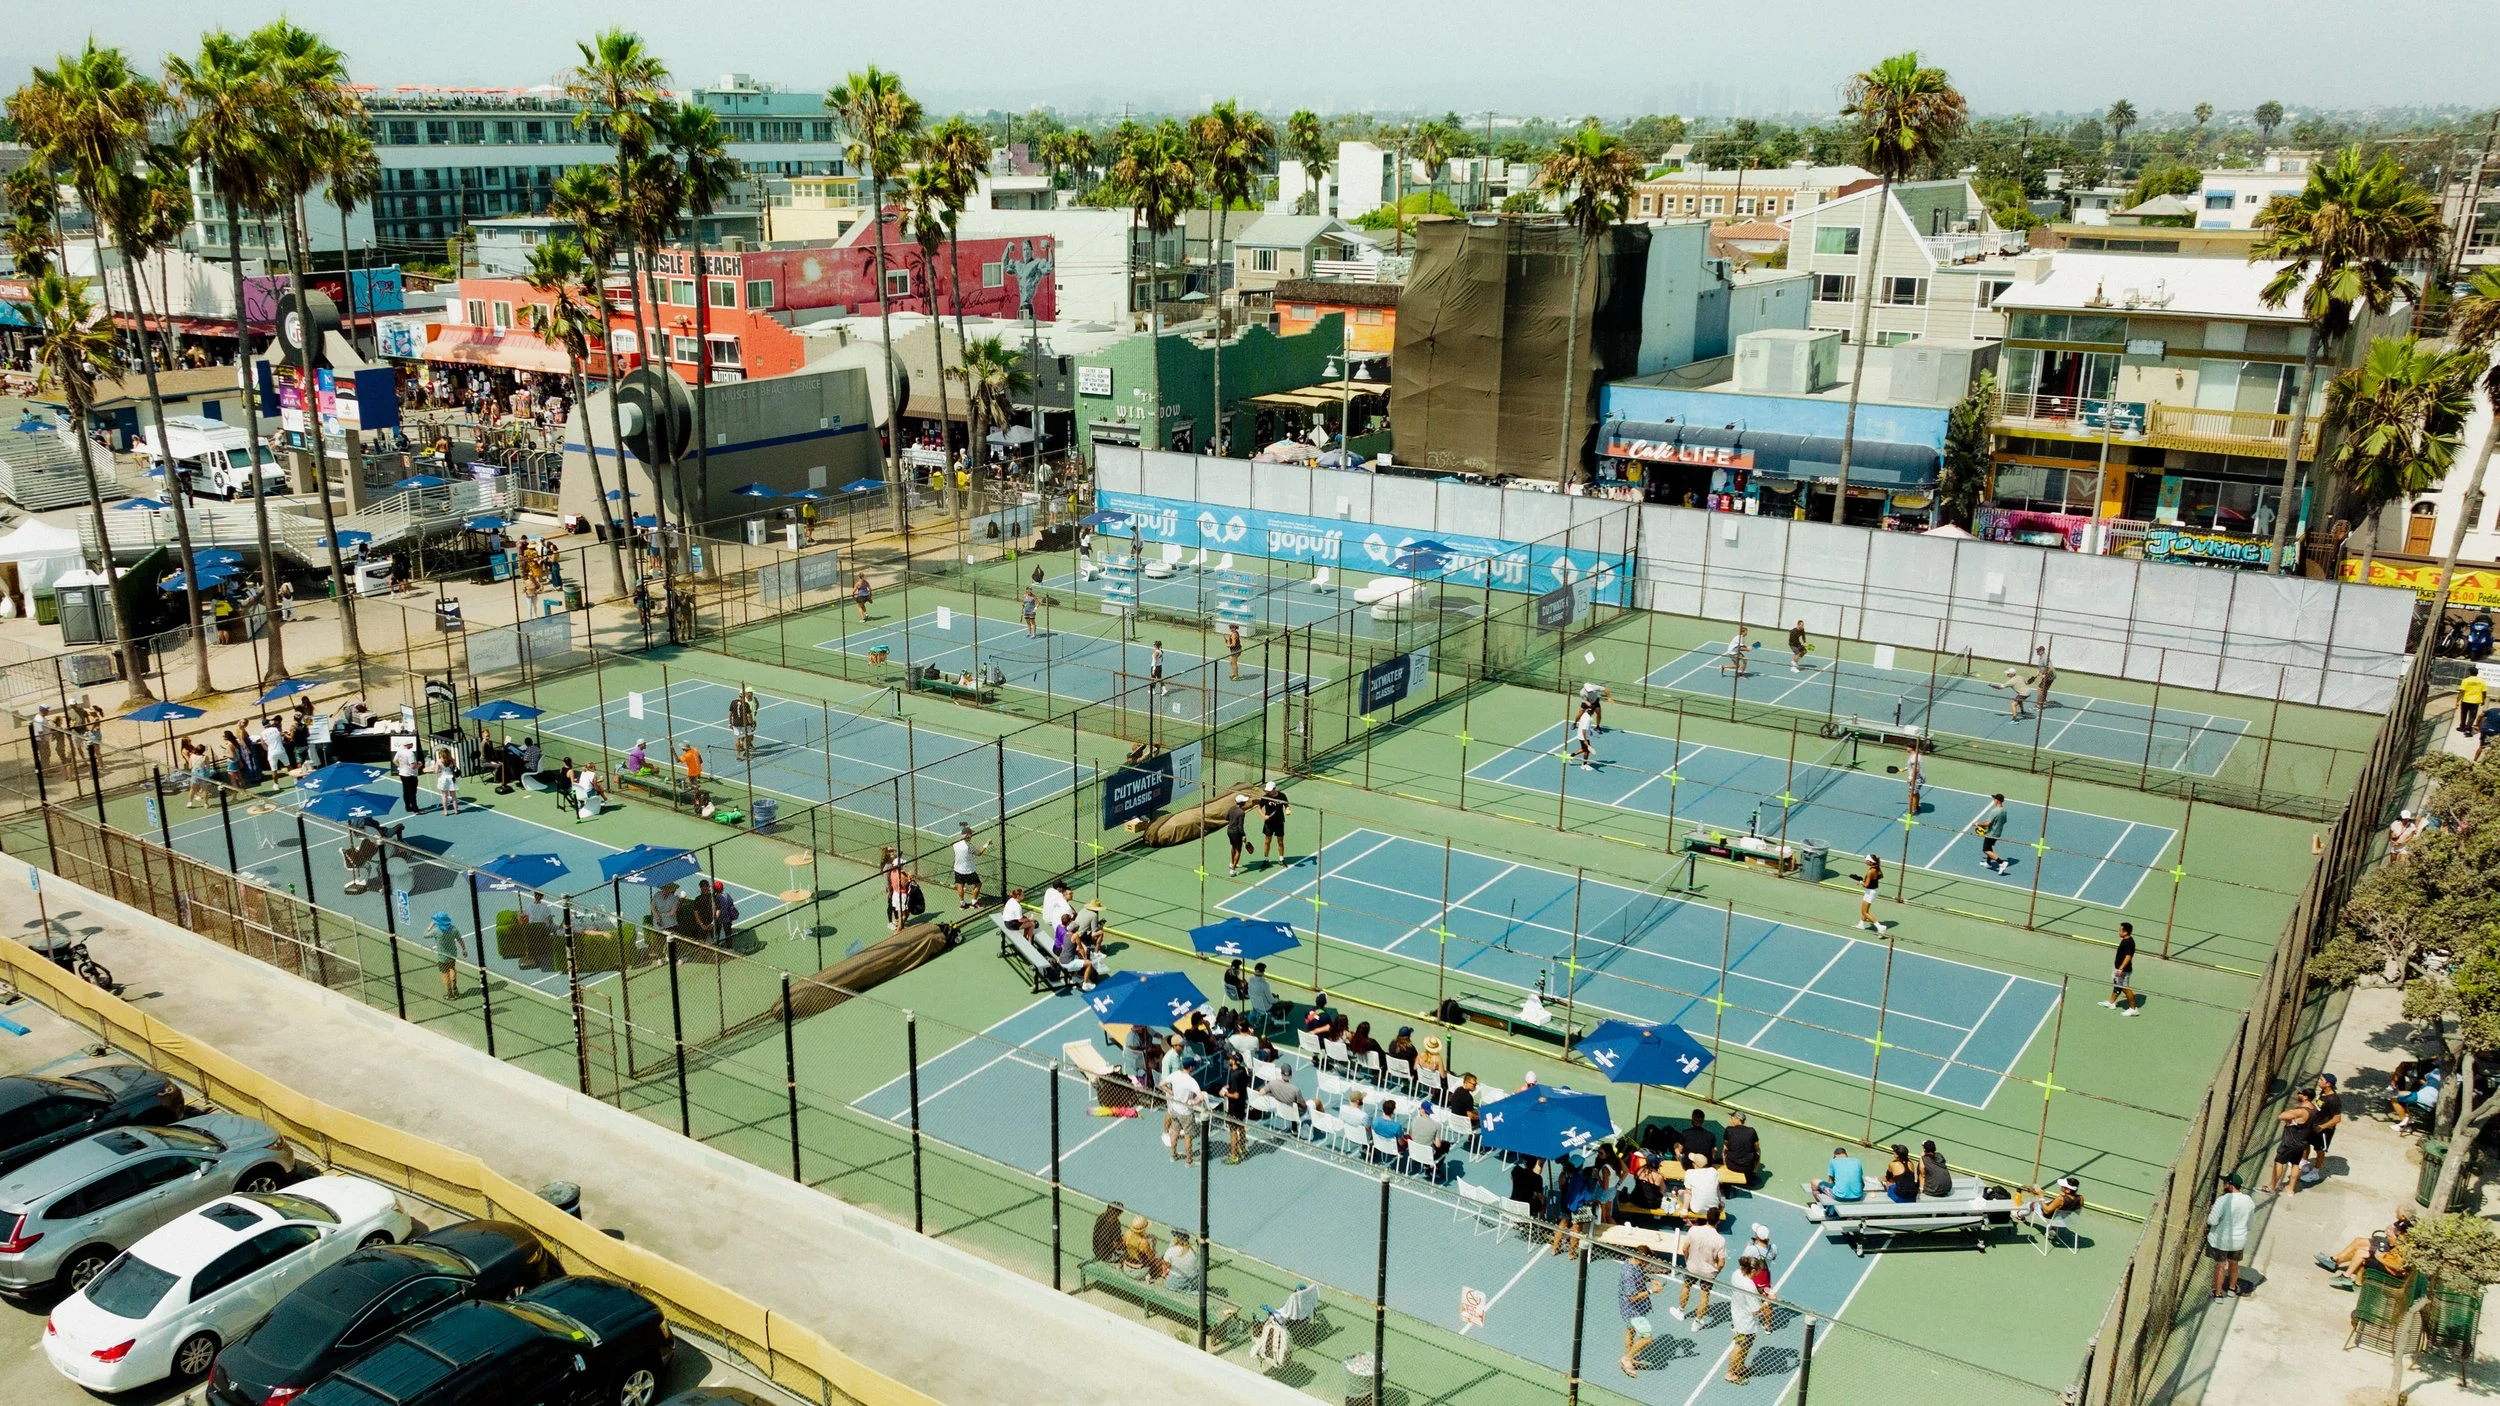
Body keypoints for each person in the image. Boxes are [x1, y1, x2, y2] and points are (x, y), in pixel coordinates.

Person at [2318, 1209, 2415, 1288]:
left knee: (2361, 1251)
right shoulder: (2403, 1226)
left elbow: (2394, 1253)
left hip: (2387, 1257)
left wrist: (2390, 1236)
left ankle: (2343, 1273)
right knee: (2358, 1241)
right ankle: (2335, 1261)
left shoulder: (2404, 1240)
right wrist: (2390, 1233)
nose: (2395, 1213)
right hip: (2387, 1254)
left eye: (2397, 1212)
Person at [2208, 1172, 2254, 1298]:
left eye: (2225, 1183)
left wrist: (2212, 1211)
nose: (2223, 1185)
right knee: (2234, 1263)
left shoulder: (2222, 1200)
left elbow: (2212, 1221)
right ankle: (2232, 1289)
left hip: (2221, 1241)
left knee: (2220, 1266)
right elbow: (2250, 1223)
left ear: (2230, 1185)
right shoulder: (2248, 1200)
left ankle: (2217, 1294)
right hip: (2238, 1241)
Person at [1673, 1215, 1725, 1322]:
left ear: (1707, 1218)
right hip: (1708, 1273)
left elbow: (1685, 1249)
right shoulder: (1720, 1240)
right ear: (1718, 1221)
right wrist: (1716, 1272)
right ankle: (1697, 1322)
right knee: (1705, 1295)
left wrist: (1688, 1261)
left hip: (1693, 1267)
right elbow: (1721, 1263)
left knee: (1686, 1286)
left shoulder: (1694, 1230)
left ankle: (1680, 1311)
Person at [1618, 1258, 1661, 1378]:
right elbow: (1633, 1297)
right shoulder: (1629, 1273)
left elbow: (1639, 1275)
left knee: (1630, 1330)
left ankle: (1629, 1358)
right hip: (1633, 1311)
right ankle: (1627, 1358)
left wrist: (1651, 1280)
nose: (1646, 1264)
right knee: (1647, 1338)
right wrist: (1652, 1291)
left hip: (1629, 1308)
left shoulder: (1630, 1263)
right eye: (1646, 1261)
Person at [2265, 1090, 2315, 1194]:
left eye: (2301, 1094)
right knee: (2295, 1164)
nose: (2298, 1095)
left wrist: (2291, 1119)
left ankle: (2271, 1187)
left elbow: (2281, 1116)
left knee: (2279, 1162)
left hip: (2290, 1142)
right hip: (2302, 1142)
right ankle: (2291, 1189)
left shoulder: (2301, 1111)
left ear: (2306, 1097)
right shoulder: (2314, 1109)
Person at [1724, 1270, 1767, 1384]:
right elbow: (1756, 1311)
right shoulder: (1749, 1286)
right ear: (1753, 1270)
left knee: (1746, 1345)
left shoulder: (1737, 1273)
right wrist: (1768, 1302)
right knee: (1740, 1346)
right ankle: (1730, 1374)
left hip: (1738, 1314)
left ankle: (1740, 1366)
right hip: (1746, 1323)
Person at [2305, 1073, 2343, 1185]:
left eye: (2322, 1080)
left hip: (2324, 1131)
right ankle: (2304, 1163)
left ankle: (2315, 1173)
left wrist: (2322, 1127)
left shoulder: (2334, 1100)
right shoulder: (2323, 1092)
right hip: (2314, 1125)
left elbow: (2337, 1119)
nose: (2319, 1081)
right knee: (2305, 1143)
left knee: (2319, 1151)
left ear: (2328, 1084)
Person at [2097, 921, 2141, 1016]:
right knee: (2117, 984)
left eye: (2120, 930)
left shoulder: (2128, 943)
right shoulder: (2125, 940)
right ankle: (2111, 1002)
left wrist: (2120, 969)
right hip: (2119, 968)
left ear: (2126, 932)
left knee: (2125, 988)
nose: (2118, 931)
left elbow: (2128, 957)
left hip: (2123, 970)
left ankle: (2133, 1009)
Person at [951, 823, 990, 909]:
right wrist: (986, 844)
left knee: (960, 886)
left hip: (958, 869)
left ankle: (962, 904)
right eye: (971, 833)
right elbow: (979, 853)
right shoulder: (968, 845)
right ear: (967, 835)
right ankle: (974, 903)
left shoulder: (955, 843)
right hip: (968, 870)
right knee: (978, 884)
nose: (972, 835)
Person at [1682, 1152, 1723, 1225]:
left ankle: (1693, 1219)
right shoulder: (1713, 1171)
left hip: (1697, 1209)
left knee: (1680, 1192)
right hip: (1713, 1208)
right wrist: (1720, 1202)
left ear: (1695, 1165)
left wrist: (1684, 1210)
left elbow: (1688, 1193)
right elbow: (1717, 1190)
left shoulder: (1689, 1173)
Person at [428, 911, 463, 998]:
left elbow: (425, 935)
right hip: (452, 955)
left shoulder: (436, 931)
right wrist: (464, 949)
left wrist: (430, 926)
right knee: (452, 968)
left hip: (442, 957)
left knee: (445, 973)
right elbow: (460, 939)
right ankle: (455, 988)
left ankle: (450, 994)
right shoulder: (453, 929)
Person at [1119, 1215, 1164, 1281]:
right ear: (1144, 1229)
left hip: (1126, 1268)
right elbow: (1152, 1258)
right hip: (1138, 1273)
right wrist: (1153, 1243)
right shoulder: (1143, 1243)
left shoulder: (1127, 1234)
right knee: (1160, 1256)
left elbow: (1124, 1246)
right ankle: (1149, 1276)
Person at [1975, 794, 2010, 874]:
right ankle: (1988, 863)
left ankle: (2001, 863)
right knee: (1989, 847)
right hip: (1997, 833)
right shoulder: (2004, 810)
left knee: (1986, 850)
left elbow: (1988, 823)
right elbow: (2004, 821)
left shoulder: (1994, 811)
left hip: (1991, 834)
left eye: (1994, 799)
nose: (1993, 801)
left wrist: (1977, 824)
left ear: (1997, 800)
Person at [1260, 781, 1289, 864]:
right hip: (1269, 823)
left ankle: (1281, 859)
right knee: (1267, 841)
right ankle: (1266, 859)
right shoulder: (1265, 797)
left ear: (1274, 789)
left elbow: (1286, 804)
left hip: (1279, 822)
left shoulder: (1282, 796)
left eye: (1270, 790)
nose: (1268, 791)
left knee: (1280, 841)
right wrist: (1263, 816)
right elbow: (1258, 807)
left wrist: (1287, 809)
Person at [1858, 854, 1888, 933]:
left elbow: (1866, 885)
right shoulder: (1876, 868)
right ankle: (1861, 924)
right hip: (1874, 891)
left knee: (1864, 912)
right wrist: (1871, 880)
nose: (1865, 861)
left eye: (1866, 860)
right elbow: (1881, 876)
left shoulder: (1870, 871)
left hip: (1870, 892)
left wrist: (1860, 882)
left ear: (1870, 862)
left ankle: (1880, 927)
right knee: (1865, 910)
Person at [728, 686, 758, 762]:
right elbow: (748, 715)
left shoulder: (733, 702)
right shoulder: (745, 704)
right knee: (749, 737)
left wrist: (730, 723)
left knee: (738, 738)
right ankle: (747, 752)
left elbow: (730, 714)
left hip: (736, 723)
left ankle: (738, 755)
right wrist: (752, 723)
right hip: (745, 724)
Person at [1224, 792, 1250, 876]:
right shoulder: (1241, 812)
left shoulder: (1231, 808)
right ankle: (1233, 870)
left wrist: (1233, 820)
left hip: (1229, 831)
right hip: (1236, 833)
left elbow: (1226, 818)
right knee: (1238, 850)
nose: (1245, 802)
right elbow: (1240, 826)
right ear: (1242, 803)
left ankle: (1232, 863)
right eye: (1244, 801)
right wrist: (1244, 835)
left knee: (1233, 847)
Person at [395, 742, 423, 814]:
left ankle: (408, 807)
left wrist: (401, 767)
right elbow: (412, 766)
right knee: (412, 793)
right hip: (410, 775)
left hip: (402, 774)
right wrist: (419, 765)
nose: (412, 744)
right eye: (411, 743)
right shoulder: (410, 753)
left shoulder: (400, 750)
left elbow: (394, 761)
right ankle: (416, 809)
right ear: (408, 745)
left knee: (406, 791)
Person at [433, 745, 461, 815]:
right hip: (451, 778)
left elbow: (436, 771)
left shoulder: (439, 761)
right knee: (453, 796)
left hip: (443, 778)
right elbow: (455, 767)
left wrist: (437, 769)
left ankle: (445, 811)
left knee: (444, 796)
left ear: (441, 754)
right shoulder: (452, 760)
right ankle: (456, 810)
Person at [1246, 963, 1276, 1027]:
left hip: (1255, 1006)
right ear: (1263, 972)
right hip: (1266, 1008)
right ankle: (1276, 1019)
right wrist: (1277, 999)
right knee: (1287, 1004)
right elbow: (1271, 1000)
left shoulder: (1250, 980)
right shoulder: (1265, 985)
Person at [1572, 702, 1597, 771]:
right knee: (1587, 751)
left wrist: (1590, 731)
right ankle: (1584, 765)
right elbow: (1584, 730)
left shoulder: (1585, 714)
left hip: (1581, 735)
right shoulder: (1587, 719)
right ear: (1592, 712)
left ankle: (1571, 756)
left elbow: (1585, 727)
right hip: (1583, 737)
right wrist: (1585, 740)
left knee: (1584, 749)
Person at [2033, 646, 2058, 711]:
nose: (2037, 651)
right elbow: (2042, 666)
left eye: (2038, 650)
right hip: (2047, 676)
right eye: (2037, 650)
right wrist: (2038, 672)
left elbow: (2050, 668)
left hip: (2049, 677)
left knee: (2040, 689)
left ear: (2042, 651)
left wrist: (2045, 674)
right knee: (2044, 689)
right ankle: (2043, 701)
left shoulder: (2045, 658)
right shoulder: (2041, 657)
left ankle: (2039, 705)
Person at [1902, 744, 1924, 816]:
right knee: (1915, 793)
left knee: (1911, 794)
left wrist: (1911, 778)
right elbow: (1912, 766)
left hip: (1916, 778)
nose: (1906, 748)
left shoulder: (1914, 758)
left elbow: (1916, 769)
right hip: (1918, 777)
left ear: (1911, 748)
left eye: (1908, 747)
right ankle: (1916, 806)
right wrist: (1905, 768)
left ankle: (1913, 811)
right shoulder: (1914, 756)